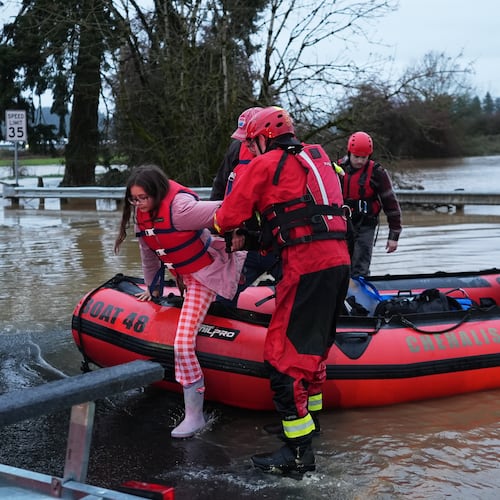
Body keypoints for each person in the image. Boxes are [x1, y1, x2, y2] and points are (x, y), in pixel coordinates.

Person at [214, 106, 351, 474]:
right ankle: (310, 425)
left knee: (281, 357)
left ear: (264, 137)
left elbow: (226, 216)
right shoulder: (319, 156)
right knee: (314, 349)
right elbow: (300, 215)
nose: (251, 149)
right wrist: (258, 238)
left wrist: (209, 223)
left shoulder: (265, 164)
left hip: (306, 267)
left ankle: (297, 453)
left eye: (252, 143)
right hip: (338, 262)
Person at [114, 164, 246, 439]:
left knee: (183, 342)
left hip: (207, 274)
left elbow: (229, 207)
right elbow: (149, 254)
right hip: (184, 276)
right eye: (133, 199)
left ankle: (194, 416)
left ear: (157, 193)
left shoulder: (181, 208)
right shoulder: (143, 216)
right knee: (189, 331)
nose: (138, 204)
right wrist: (153, 289)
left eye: (142, 198)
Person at [210, 106, 280, 307]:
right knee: (223, 297)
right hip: (245, 241)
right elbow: (221, 186)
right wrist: (217, 229)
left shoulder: (281, 159)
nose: (245, 144)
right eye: (243, 140)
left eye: (249, 139)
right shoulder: (236, 150)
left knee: (296, 297)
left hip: (276, 243)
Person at [339, 131, 402, 278]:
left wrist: (394, 236)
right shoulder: (337, 169)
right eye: (357, 157)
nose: (360, 161)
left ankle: (359, 296)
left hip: (365, 226)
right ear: (349, 153)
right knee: (340, 265)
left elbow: (391, 205)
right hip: (342, 225)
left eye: (364, 157)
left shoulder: (377, 173)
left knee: (360, 266)